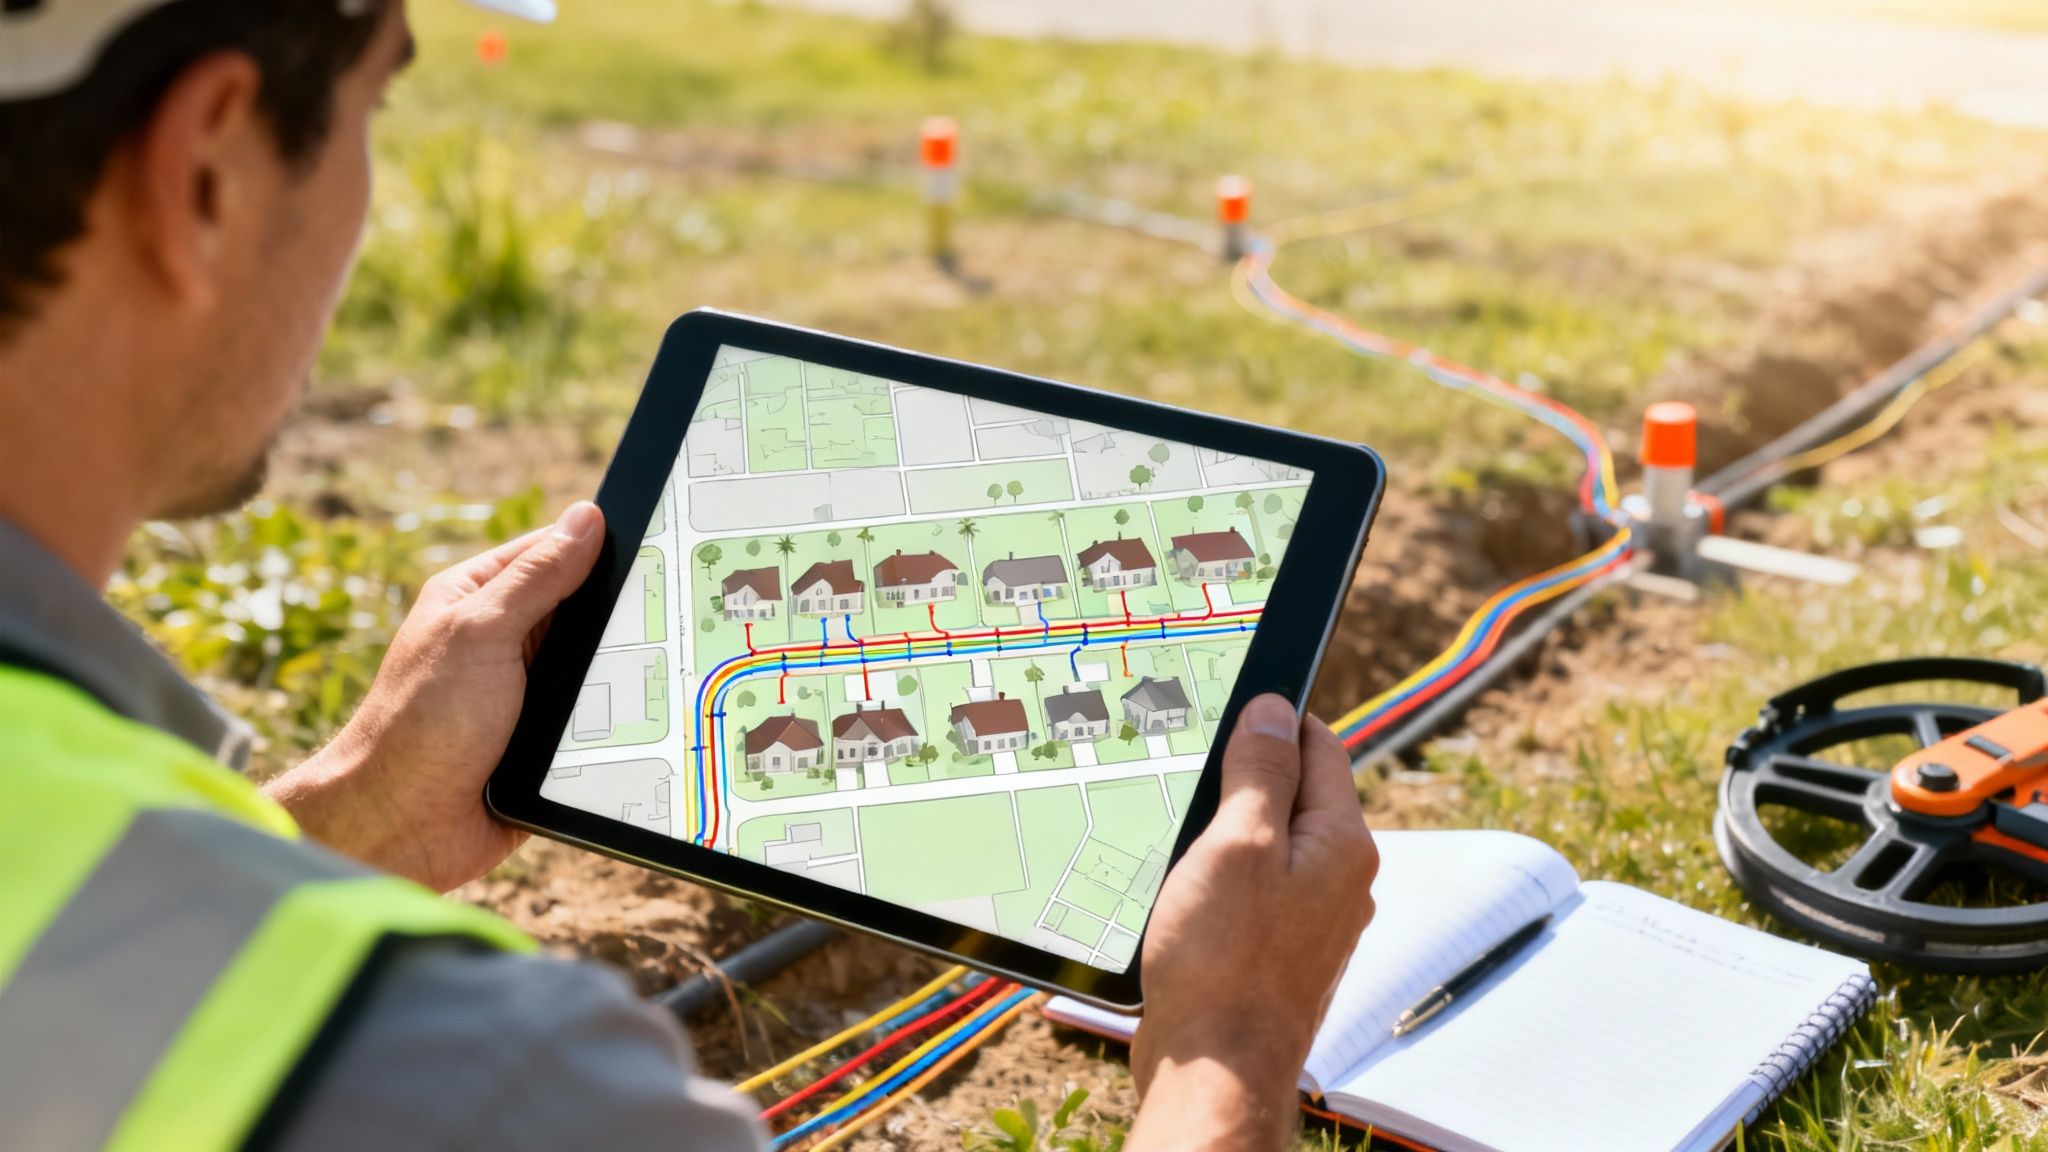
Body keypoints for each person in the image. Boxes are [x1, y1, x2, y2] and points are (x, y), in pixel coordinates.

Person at [0, 1, 1380, 1148]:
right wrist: (1227, 1056)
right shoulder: (477, 1083)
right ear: (206, 174)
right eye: (377, 106)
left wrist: (364, 812)